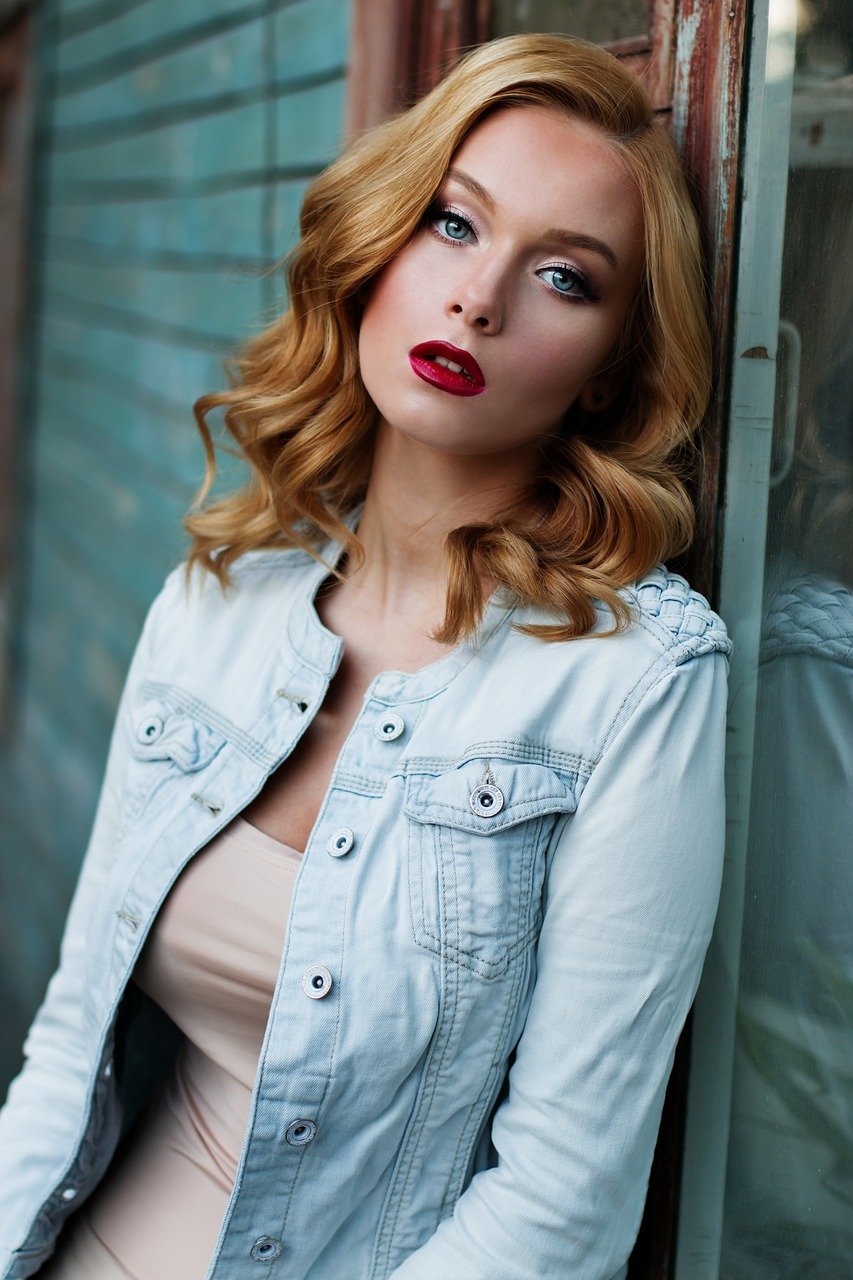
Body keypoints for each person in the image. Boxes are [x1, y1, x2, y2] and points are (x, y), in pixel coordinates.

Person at [0, 32, 731, 1280]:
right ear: (378, 242)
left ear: (610, 372)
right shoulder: (216, 602)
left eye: (564, 277)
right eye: (454, 225)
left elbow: (561, 1207)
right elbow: (70, 1038)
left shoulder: (633, 680)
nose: (480, 298)